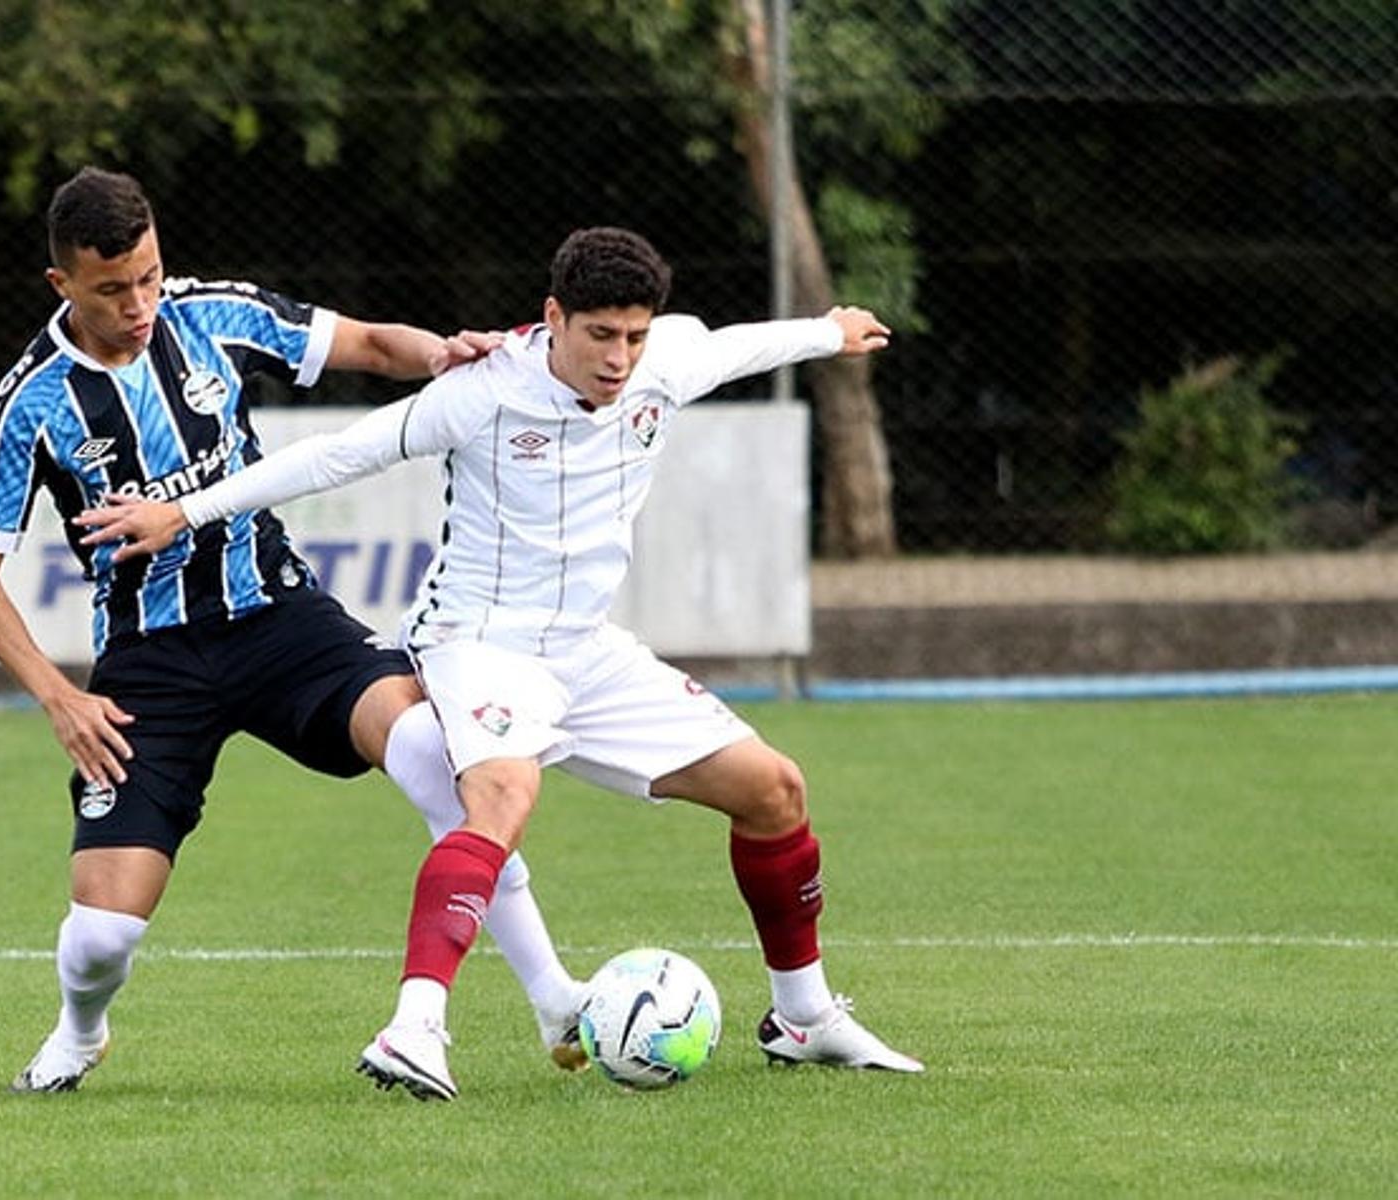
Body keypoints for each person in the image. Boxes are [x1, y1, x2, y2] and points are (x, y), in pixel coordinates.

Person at [77, 225, 925, 1101]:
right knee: (504, 797)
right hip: (476, 641)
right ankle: (415, 1027)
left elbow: (738, 346)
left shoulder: (665, 360)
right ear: (553, 317)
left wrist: (829, 329)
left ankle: (804, 1016)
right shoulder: (483, 394)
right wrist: (187, 512)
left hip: (588, 651)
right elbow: (335, 456)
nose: (619, 357)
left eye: (634, 335)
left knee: (774, 789)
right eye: (600, 335)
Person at [0, 167, 587, 1094]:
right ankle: (81, 1031)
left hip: (282, 620)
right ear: (63, 287)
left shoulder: (215, 316)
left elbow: (364, 342)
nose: (139, 305)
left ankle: (554, 998)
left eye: (150, 276)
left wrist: (445, 354)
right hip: (150, 662)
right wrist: (60, 696)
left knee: (426, 749)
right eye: (112, 289)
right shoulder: (34, 401)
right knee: (101, 938)